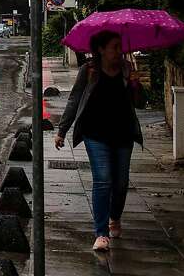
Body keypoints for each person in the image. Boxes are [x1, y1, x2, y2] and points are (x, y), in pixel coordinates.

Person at [55, 30, 143, 251]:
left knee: (121, 184)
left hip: (123, 135)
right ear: (101, 49)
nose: (119, 50)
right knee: (103, 180)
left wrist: (136, 84)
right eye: (114, 46)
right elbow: (74, 100)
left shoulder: (126, 69)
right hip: (95, 134)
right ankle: (101, 233)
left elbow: (141, 103)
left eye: (120, 46)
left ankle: (115, 216)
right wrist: (62, 130)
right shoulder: (90, 70)